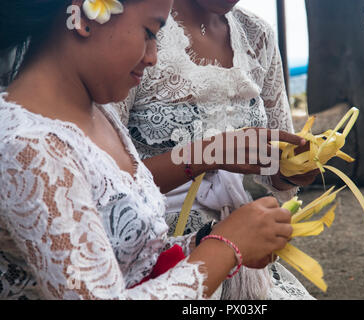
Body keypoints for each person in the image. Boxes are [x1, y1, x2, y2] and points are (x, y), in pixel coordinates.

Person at [0, 0, 297, 299]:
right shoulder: (29, 147)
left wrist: (207, 241)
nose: (154, 56)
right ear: (83, 18)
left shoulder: (102, 118)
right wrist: (225, 248)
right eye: (149, 32)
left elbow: (135, 262)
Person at [113, 0, 319, 299]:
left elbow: (276, 160)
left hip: (244, 246)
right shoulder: (136, 29)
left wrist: (293, 170)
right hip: (154, 250)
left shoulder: (256, 33)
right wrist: (206, 153)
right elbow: (101, 182)